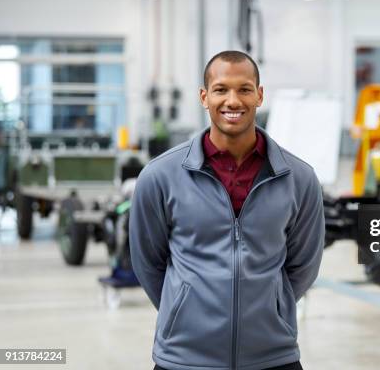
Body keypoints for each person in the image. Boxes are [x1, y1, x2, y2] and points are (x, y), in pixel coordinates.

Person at [130, 50, 325, 370]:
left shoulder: (298, 178)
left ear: (259, 95)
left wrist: (272, 309)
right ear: (204, 97)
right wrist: (184, 312)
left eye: (244, 89)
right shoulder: (160, 176)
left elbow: (303, 265)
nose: (233, 101)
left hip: (272, 357)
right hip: (184, 359)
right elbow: (148, 263)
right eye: (221, 89)